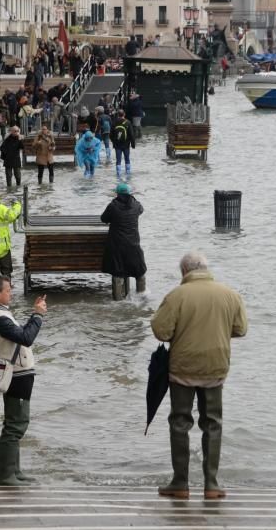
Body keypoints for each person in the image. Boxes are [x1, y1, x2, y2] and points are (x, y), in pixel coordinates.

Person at [151, 251, 247, 500]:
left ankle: (180, 484)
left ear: (184, 272)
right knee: (213, 423)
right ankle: (212, 484)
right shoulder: (230, 294)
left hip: (183, 368)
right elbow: (241, 329)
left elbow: (161, 331)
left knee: (180, 423)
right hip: (215, 366)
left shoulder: (176, 296)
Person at [0, 274, 47, 486]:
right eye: (8, 291)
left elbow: (20, 335)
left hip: (18, 376)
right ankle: (6, 476)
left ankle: (15, 471)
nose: (10, 294)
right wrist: (38, 316)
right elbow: (26, 337)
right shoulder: (0, 318)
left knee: (15, 424)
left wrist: (34, 314)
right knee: (15, 425)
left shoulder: (1, 315)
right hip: (16, 376)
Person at [100, 183, 146, 289]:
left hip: (117, 246)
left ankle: (118, 301)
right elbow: (141, 210)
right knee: (140, 273)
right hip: (133, 245)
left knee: (117, 273)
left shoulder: (113, 206)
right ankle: (142, 298)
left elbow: (103, 219)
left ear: (117, 194)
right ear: (129, 193)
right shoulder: (136, 205)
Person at [112, 110, 135, 179]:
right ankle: (128, 173)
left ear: (118, 115)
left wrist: (114, 142)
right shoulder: (128, 122)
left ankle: (118, 174)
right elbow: (131, 134)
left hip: (117, 145)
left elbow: (111, 134)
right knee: (127, 159)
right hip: (126, 144)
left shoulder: (114, 122)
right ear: (124, 114)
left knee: (118, 160)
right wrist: (133, 144)